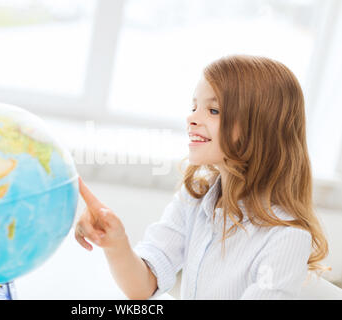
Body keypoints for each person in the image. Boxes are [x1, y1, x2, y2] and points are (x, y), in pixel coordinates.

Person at [74, 54, 330, 300]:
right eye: (194, 106)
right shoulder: (195, 197)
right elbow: (142, 287)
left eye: (213, 110)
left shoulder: (286, 237)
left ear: (260, 128)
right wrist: (116, 243)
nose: (191, 118)